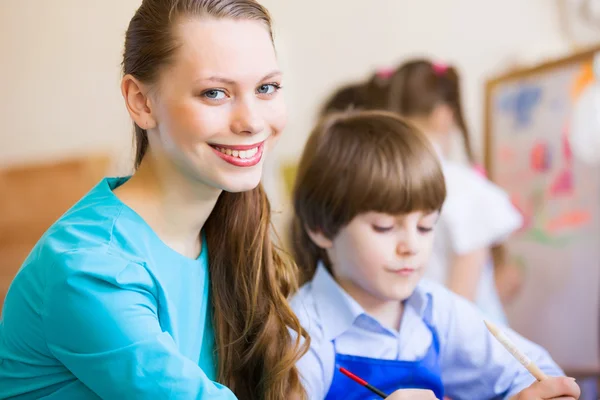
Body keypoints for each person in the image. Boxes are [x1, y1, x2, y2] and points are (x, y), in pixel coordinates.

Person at [0, 1, 307, 398]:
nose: (251, 121)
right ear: (141, 102)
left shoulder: (228, 220)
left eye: (266, 88)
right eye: (214, 93)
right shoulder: (90, 268)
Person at [289, 110, 579, 399]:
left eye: (426, 226)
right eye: (385, 227)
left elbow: (536, 370)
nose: (411, 246)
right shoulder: (301, 333)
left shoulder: (435, 308)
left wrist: (530, 394)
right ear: (321, 229)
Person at [387, 59, 523, 324]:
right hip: (463, 344)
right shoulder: (462, 187)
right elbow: (460, 305)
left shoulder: (384, 183)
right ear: (444, 115)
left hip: (411, 333)